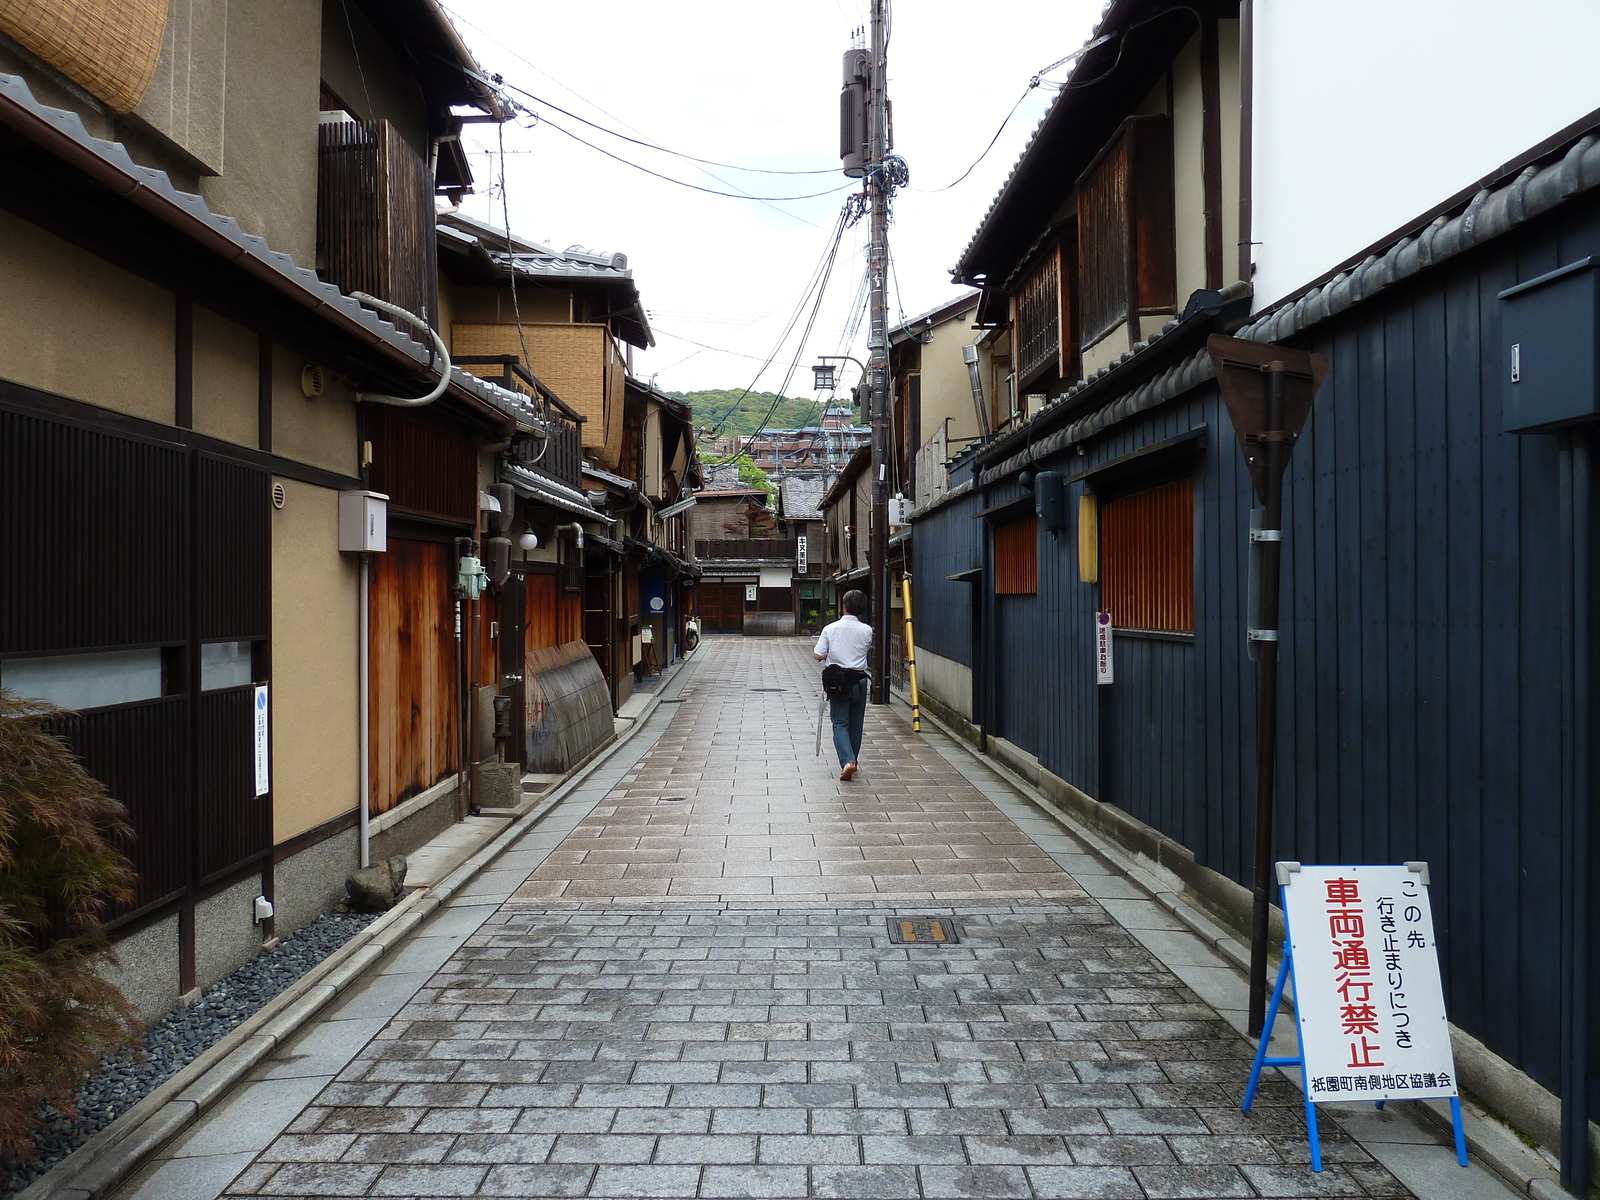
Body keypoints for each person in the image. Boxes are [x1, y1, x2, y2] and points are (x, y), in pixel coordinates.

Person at [813, 589, 872, 781]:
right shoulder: (867, 630)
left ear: (843, 606)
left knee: (839, 723)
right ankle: (853, 759)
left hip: (838, 682)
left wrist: (829, 654)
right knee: (855, 725)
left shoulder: (830, 629)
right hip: (860, 680)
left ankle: (848, 762)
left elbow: (818, 654)